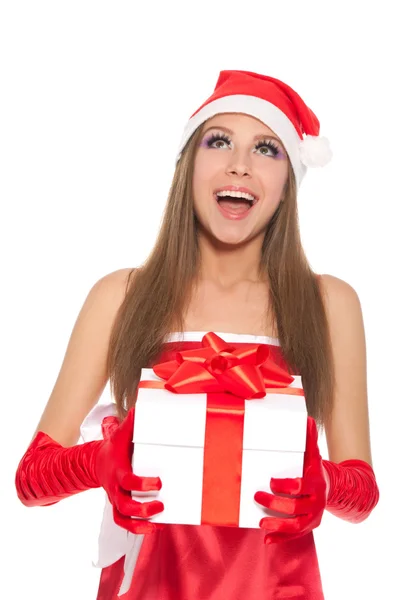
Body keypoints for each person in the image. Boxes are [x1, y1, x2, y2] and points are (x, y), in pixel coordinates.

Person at [15, 70, 379, 599]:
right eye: (220, 141)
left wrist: (324, 485)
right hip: (148, 584)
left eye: (267, 149)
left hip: (277, 588)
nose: (240, 164)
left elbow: (362, 492)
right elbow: (32, 478)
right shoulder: (121, 296)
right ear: (189, 165)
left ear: (288, 184)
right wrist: (101, 460)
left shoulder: (329, 305)